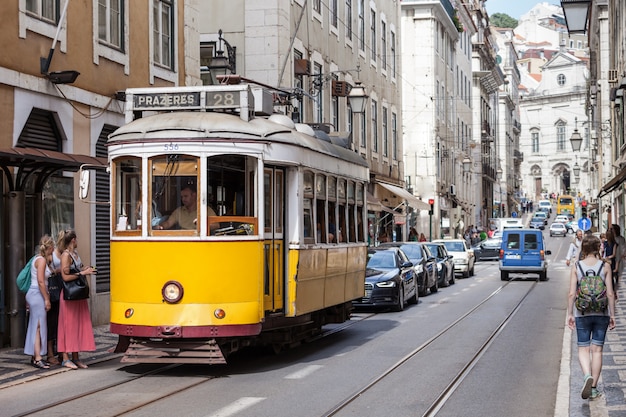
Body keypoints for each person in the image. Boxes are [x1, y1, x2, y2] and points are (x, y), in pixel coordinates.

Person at [567, 235, 616, 400]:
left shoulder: (576, 266)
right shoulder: (606, 266)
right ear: (598, 248)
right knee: (597, 351)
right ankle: (593, 387)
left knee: (583, 348)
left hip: (582, 313)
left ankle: (587, 375)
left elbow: (572, 293)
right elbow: (610, 293)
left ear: (584, 249)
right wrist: (612, 315)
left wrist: (569, 314)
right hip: (601, 313)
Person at [58, 230, 96, 369]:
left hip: (78, 296)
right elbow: (65, 277)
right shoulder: (65, 256)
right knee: (67, 325)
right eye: (77, 239)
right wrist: (82, 273)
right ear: (73, 240)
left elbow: (76, 270)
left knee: (77, 325)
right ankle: (65, 357)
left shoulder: (75, 254)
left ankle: (75, 357)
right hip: (69, 296)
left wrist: (85, 269)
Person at [24, 235, 55, 369]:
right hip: (38, 294)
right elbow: (41, 282)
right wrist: (47, 299)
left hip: (34, 293)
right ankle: (37, 358)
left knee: (35, 325)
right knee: (38, 326)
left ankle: (34, 355)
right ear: (50, 247)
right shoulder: (41, 260)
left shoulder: (37, 259)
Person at [45, 230, 65, 365]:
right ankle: (50, 353)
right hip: (53, 291)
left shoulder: (67, 253)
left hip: (62, 290)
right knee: (51, 323)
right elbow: (46, 272)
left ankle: (60, 351)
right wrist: (58, 271)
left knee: (59, 322)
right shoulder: (50, 256)